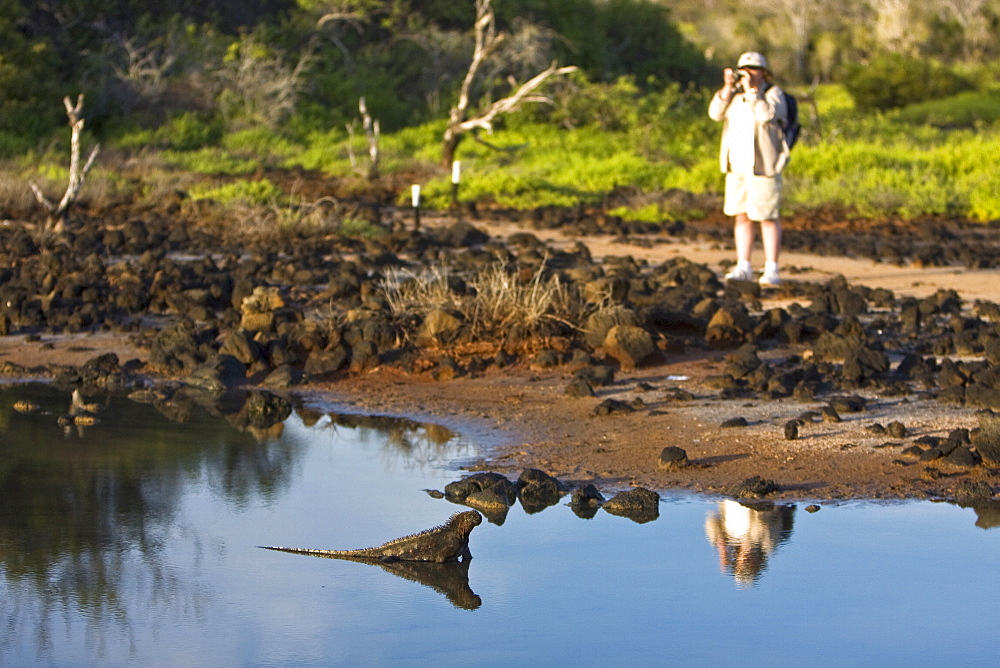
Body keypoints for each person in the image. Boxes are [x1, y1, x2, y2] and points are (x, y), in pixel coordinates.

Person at [708, 51, 790, 286]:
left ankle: (771, 268)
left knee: (767, 216)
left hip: (763, 166)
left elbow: (767, 116)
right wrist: (728, 87)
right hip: (737, 167)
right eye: (744, 68)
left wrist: (754, 91)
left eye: (753, 69)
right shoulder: (734, 95)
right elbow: (714, 113)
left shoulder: (773, 94)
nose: (748, 73)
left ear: (763, 72)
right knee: (741, 216)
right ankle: (744, 265)